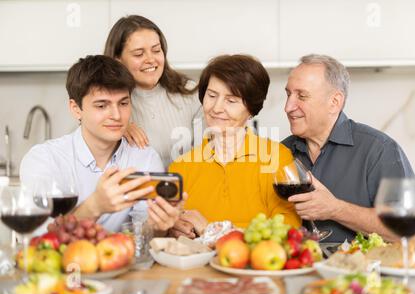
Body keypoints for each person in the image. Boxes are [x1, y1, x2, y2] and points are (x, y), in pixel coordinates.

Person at [20, 55, 181, 234]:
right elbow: (39, 238)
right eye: (102, 106)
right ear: (76, 109)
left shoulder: (145, 158)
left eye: (123, 103)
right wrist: (94, 206)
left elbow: (144, 237)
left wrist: (157, 226)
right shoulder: (44, 159)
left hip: (124, 261)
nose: (117, 115)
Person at [282, 54, 415, 242]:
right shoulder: (281, 152)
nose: (288, 107)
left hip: (362, 270)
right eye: (288, 94)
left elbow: (406, 229)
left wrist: (336, 209)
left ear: (334, 102)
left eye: (301, 96)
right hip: (298, 269)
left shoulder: (380, 150)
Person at [167, 54, 301, 238]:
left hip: (255, 266)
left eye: (231, 100)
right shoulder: (181, 167)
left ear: (251, 109)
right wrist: (174, 228)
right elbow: (169, 227)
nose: (216, 108)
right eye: (212, 96)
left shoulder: (278, 157)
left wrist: (213, 230)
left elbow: (288, 229)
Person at [104, 15, 203, 168]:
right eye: (139, 54)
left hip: (188, 187)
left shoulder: (190, 92)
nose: (151, 59)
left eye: (156, 50)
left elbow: (210, 152)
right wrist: (115, 127)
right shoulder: (109, 103)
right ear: (118, 60)